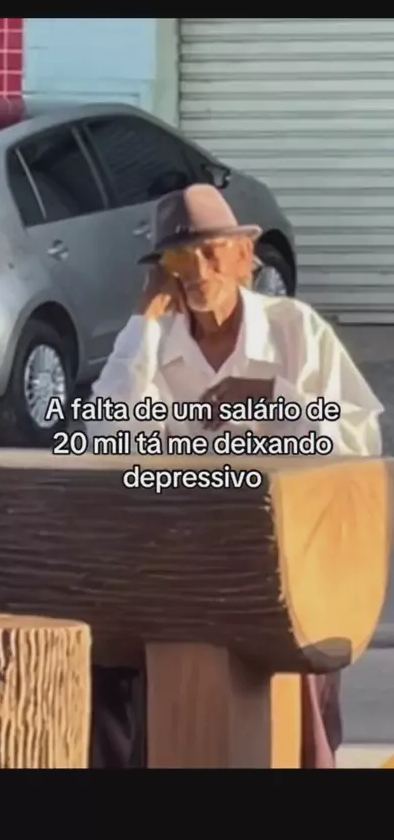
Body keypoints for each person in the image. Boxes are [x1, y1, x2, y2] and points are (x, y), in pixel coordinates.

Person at [86, 183, 384, 769]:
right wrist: (142, 324)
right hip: (179, 567)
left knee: (292, 664)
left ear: (244, 257)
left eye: (211, 252)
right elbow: (105, 440)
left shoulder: (295, 330)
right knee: (105, 663)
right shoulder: (153, 343)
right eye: (179, 259)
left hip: (287, 567)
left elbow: (358, 445)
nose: (198, 272)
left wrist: (272, 394)